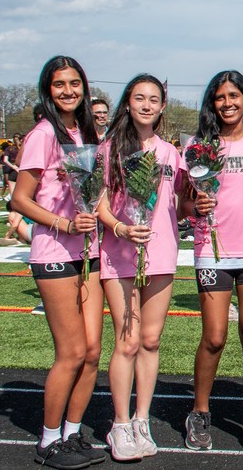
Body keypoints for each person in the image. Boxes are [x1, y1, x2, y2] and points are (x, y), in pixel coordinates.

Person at [12, 55, 107, 469]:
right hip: (55, 251)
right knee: (69, 352)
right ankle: (48, 441)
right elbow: (20, 199)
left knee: (91, 352)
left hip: (91, 253)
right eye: (58, 85)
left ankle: (71, 433)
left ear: (84, 87)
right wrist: (64, 224)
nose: (68, 91)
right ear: (47, 90)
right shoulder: (43, 133)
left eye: (74, 83)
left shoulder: (86, 132)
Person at [180, 70, 243, 456]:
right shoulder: (199, 145)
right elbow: (185, 203)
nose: (228, 103)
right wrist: (195, 206)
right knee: (215, 336)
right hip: (212, 249)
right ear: (212, 103)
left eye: (234, 96)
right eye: (220, 97)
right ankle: (199, 411)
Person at [95, 74, 182, 461]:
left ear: (162, 106)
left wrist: (203, 197)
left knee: (150, 340)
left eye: (154, 99)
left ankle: (142, 419)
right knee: (127, 341)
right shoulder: (109, 148)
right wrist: (121, 228)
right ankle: (120, 423)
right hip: (120, 253)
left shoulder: (170, 152)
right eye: (139, 98)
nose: (147, 105)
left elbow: (180, 201)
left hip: (162, 253)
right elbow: (97, 204)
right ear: (127, 103)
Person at [1, 133, 22, 200]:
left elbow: (5, 160)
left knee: (13, 193)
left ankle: (14, 206)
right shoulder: (24, 148)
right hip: (23, 170)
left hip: (13, 171)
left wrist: (13, 167)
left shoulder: (9, 148)